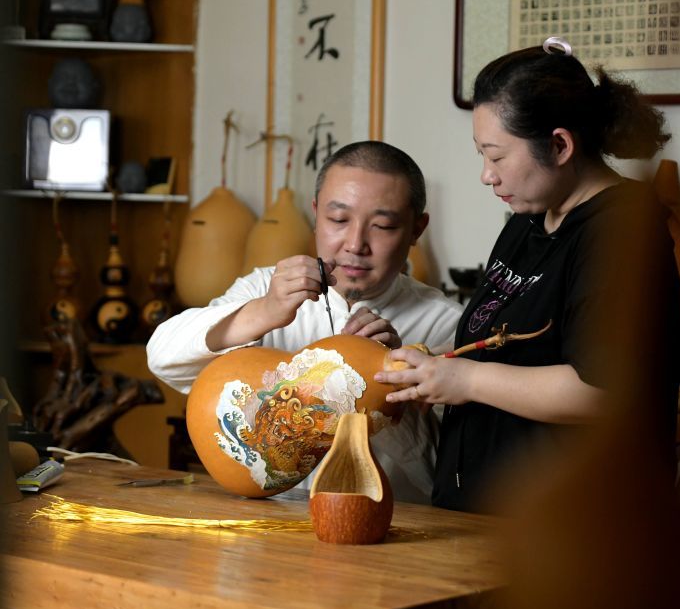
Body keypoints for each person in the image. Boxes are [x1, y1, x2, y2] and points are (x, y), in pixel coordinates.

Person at [375, 39, 680, 512]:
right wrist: (430, 370)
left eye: (497, 157)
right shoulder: (527, 221)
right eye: (482, 155)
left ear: (559, 145)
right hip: (482, 519)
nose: (486, 175)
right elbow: (513, 348)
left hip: (566, 538)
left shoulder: (624, 230)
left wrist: (466, 381)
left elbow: (602, 390)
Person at [147, 141, 462, 503]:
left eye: (383, 226)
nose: (355, 244)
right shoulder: (265, 288)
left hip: (389, 541)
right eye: (339, 220)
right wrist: (266, 310)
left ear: (416, 229)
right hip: (269, 528)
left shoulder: (445, 325)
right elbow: (162, 358)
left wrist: (387, 390)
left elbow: (446, 478)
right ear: (316, 215)